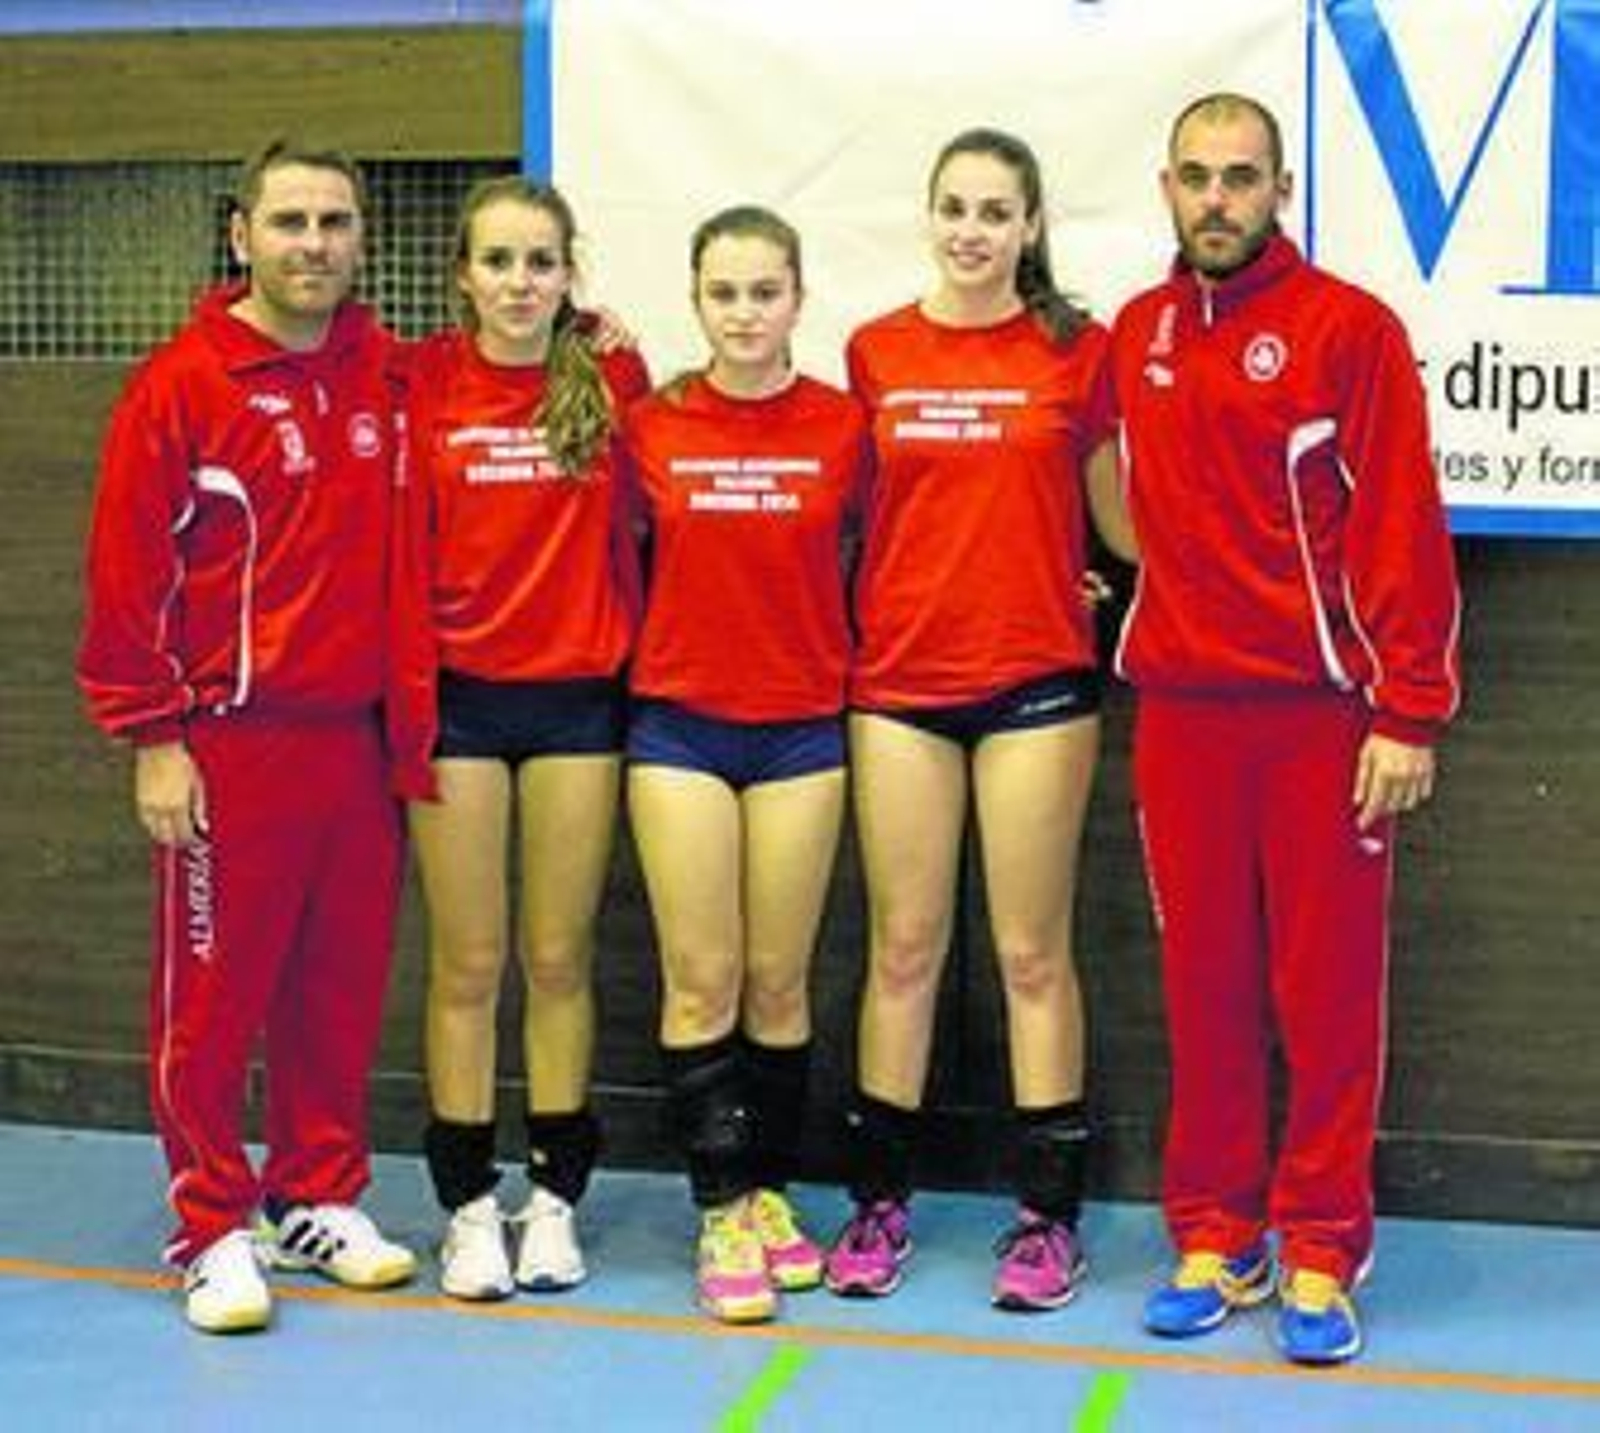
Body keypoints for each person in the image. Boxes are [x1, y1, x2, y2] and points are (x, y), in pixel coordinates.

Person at [1108, 93, 1461, 1366]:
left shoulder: (1347, 331)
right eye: (1195, 176)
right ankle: (1216, 1230)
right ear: (1166, 186)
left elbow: (1403, 533)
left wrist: (1405, 708)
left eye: (1240, 178)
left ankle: (1319, 1243)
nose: (1217, 199)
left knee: (1323, 996)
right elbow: (1096, 459)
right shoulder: (1135, 332)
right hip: (1180, 719)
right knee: (1203, 993)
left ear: (1280, 188)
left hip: (1322, 724)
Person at [77, 138, 417, 1334]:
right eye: (289, 222)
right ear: (242, 235)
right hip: (227, 745)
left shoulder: (387, 374)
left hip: (360, 746)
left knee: (338, 988)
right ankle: (211, 1219)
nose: (313, 243)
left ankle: (315, 1190)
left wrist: (602, 330)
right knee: (213, 1000)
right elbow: (126, 579)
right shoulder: (182, 385)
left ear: (360, 238)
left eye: (333, 221)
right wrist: (153, 735)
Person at [824, 128, 1135, 1312]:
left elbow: (1123, 528)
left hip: (1037, 681)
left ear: (1030, 224)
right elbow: (841, 515)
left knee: (1026, 950)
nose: (971, 229)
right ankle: (876, 1203)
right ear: (929, 216)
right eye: (952, 206)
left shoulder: (1078, 351)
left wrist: (1102, 570)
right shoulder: (874, 351)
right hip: (899, 681)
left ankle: (1045, 1220)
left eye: (994, 211)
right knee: (903, 948)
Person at [388, 176, 650, 1301]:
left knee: (555, 957)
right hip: (457, 703)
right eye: (497, 261)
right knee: (469, 959)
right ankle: (464, 1204)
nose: (518, 283)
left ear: (568, 274)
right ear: (462, 275)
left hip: (578, 703)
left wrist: (601, 336)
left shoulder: (612, 376)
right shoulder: (417, 381)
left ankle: (553, 1196)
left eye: (540, 262)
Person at [622, 206, 869, 1324]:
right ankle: (717, 1205)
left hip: (804, 726)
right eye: (724, 293)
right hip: (678, 725)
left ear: (797, 298)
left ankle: (768, 1190)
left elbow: (903, 544)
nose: (745, 314)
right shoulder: (649, 424)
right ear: (696, 299)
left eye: (765, 291)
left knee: (777, 979)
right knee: (700, 975)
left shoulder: (843, 426)